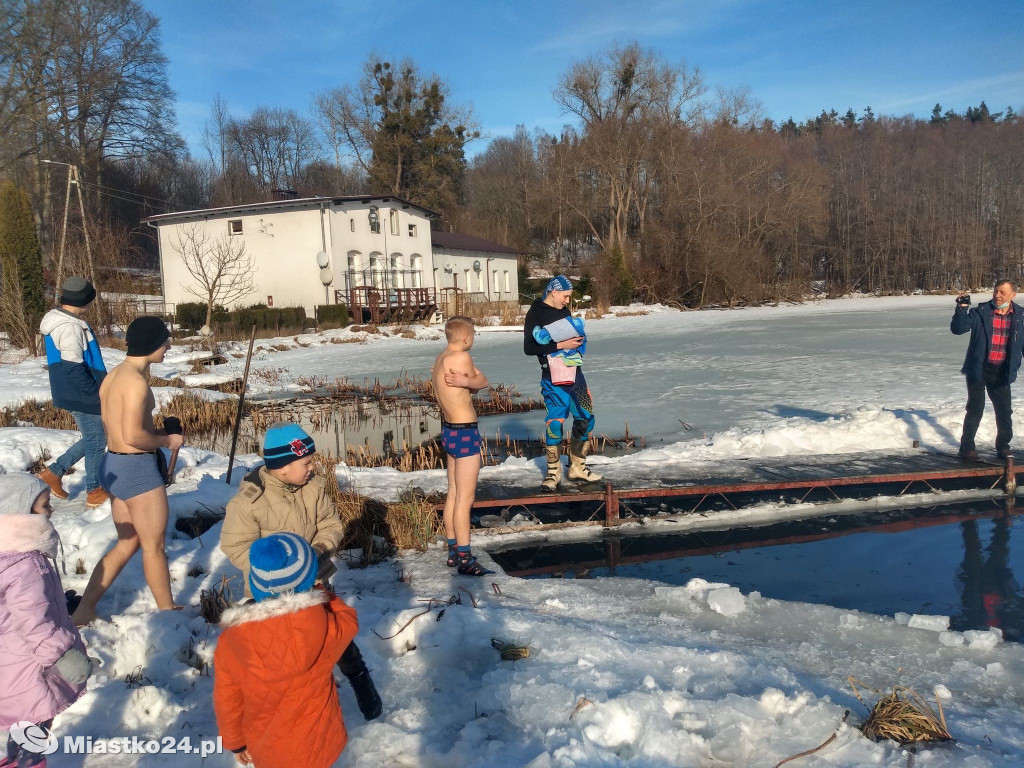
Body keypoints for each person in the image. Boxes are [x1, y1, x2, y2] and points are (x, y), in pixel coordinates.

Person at [220, 422, 382, 720]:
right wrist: (275, 571)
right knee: (282, 653)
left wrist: (319, 550)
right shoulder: (248, 503)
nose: (312, 467)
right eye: (306, 462)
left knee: (336, 635)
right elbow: (234, 545)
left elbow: (331, 524)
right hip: (269, 597)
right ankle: (294, 704)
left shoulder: (314, 488)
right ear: (282, 467)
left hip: (314, 582)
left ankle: (360, 679)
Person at [70, 316, 183, 626]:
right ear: (152, 344)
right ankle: (168, 613)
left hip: (114, 466)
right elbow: (133, 436)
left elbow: (120, 428)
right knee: (154, 546)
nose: (168, 346)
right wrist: (167, 439)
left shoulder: (114, 376)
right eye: (165, 341)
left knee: (127, 542)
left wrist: (156, 430)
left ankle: (83, 611)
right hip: (137, 471)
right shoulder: (136, 382)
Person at [214, 533, 358, 768]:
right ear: (309, 581)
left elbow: (227, 697)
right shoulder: (326, 627)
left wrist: (236, 742)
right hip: (318, 746)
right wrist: (324, 595)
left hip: (267, 748)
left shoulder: (232, 641)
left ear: (257, 585)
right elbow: (349, 620)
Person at [0, 473, 93, 768]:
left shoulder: (10, 555)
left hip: (13, 658)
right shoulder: (25, 563)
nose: (51, 511)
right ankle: (27, 763)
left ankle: (15, 759)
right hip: (32, 661)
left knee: (27, 718)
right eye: (44, 506)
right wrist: (63, 655)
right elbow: (34, 622)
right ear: (22, 514)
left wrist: (59, 601)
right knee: (37, 719)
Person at [37, 277, 109, 508]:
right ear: (85, 300)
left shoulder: (64, 321)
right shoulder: (68, 326)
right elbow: (72, 366)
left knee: (93, 437)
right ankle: (94, 490)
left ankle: (54, 473)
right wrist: (94, 392)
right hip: (81, 393)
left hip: (74, 392)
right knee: (97, 439)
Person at [523, 275, 601, 490]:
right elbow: (529, 348)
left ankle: (577, 467)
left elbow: (571, 344)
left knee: (586, 417)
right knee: (555, 422)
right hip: (552, 377)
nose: (567, 300)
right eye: (565, 296)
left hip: (575, 375)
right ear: (554, 292)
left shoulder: (564, 312)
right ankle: (553, 473)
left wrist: (575, 344)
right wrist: (559, 344)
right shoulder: (536, 312)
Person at [430, 316, 493, 576]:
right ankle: (465, 559)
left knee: (453, 493)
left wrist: (470, 383)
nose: (474, 339)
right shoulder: (460, 359)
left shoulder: (440, 359)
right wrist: (470, 382)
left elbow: (474, 383)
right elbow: (482, 382)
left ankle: (453, 551)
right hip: (465, 431)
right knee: (465, 499)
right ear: (466, 337)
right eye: (474, 335)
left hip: (448, 430)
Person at [951, 280, 1024, 461]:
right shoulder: (980, 313)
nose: (997, 296)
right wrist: (962, 307)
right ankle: (967, 448)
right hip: (979, 368)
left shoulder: (1020, 316)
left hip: (1002, 370)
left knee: (1004, 410)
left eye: (1002, 293)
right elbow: (958, 329)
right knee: (976, 408)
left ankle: (1003, 447)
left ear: (1013, 295)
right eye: (996, 291)